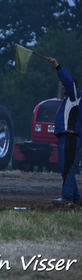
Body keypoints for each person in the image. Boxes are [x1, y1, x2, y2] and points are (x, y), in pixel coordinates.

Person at [47, 57, 82, 204]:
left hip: (70, 136)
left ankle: (67, 197)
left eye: (65, 85)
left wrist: (57, 66)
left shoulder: (75, 96)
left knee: (67, 167)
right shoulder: (69, 101)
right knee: (65, 167)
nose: (63, 87)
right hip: (66, 137)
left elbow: (67, 81)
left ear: (73, 86)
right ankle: (76, 198)